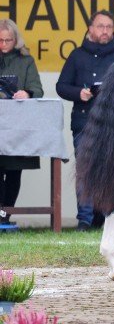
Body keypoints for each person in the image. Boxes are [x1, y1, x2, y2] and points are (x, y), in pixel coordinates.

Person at [56, 10, 114, 231]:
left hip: (113, 122)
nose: (105, 31)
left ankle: (109, 218)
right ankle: (84, 219)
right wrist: (79, 93)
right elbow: (61, 86)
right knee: (84, 171)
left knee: (111, 170)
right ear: (90, 28)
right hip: (84, 122)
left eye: (109, 27)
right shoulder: (77, 55)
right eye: (101, 26)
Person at [0, 19, 44, 225]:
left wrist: (26, 93)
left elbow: (38, 88)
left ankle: (6, 216)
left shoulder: (26, 61)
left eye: (8, 40)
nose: (3, 44)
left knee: (14, 171)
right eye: (0, 40)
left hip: (18, 127)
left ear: (15, 40)